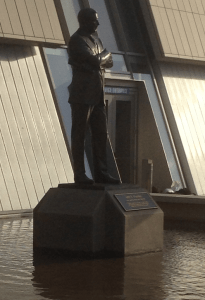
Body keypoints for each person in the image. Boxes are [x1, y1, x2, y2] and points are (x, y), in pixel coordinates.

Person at [68, 8, 120, 185]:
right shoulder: (76, 40)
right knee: (79, 135)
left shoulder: (95, 39)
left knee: (100, 134)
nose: (97, 24)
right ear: (84, 21)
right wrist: (103, 56)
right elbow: (98, 61)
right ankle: (79, 175)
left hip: (97, 95)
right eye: (94, 21)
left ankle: (101, 173)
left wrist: (101, 58)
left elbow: (110, 62)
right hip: (82, 95)